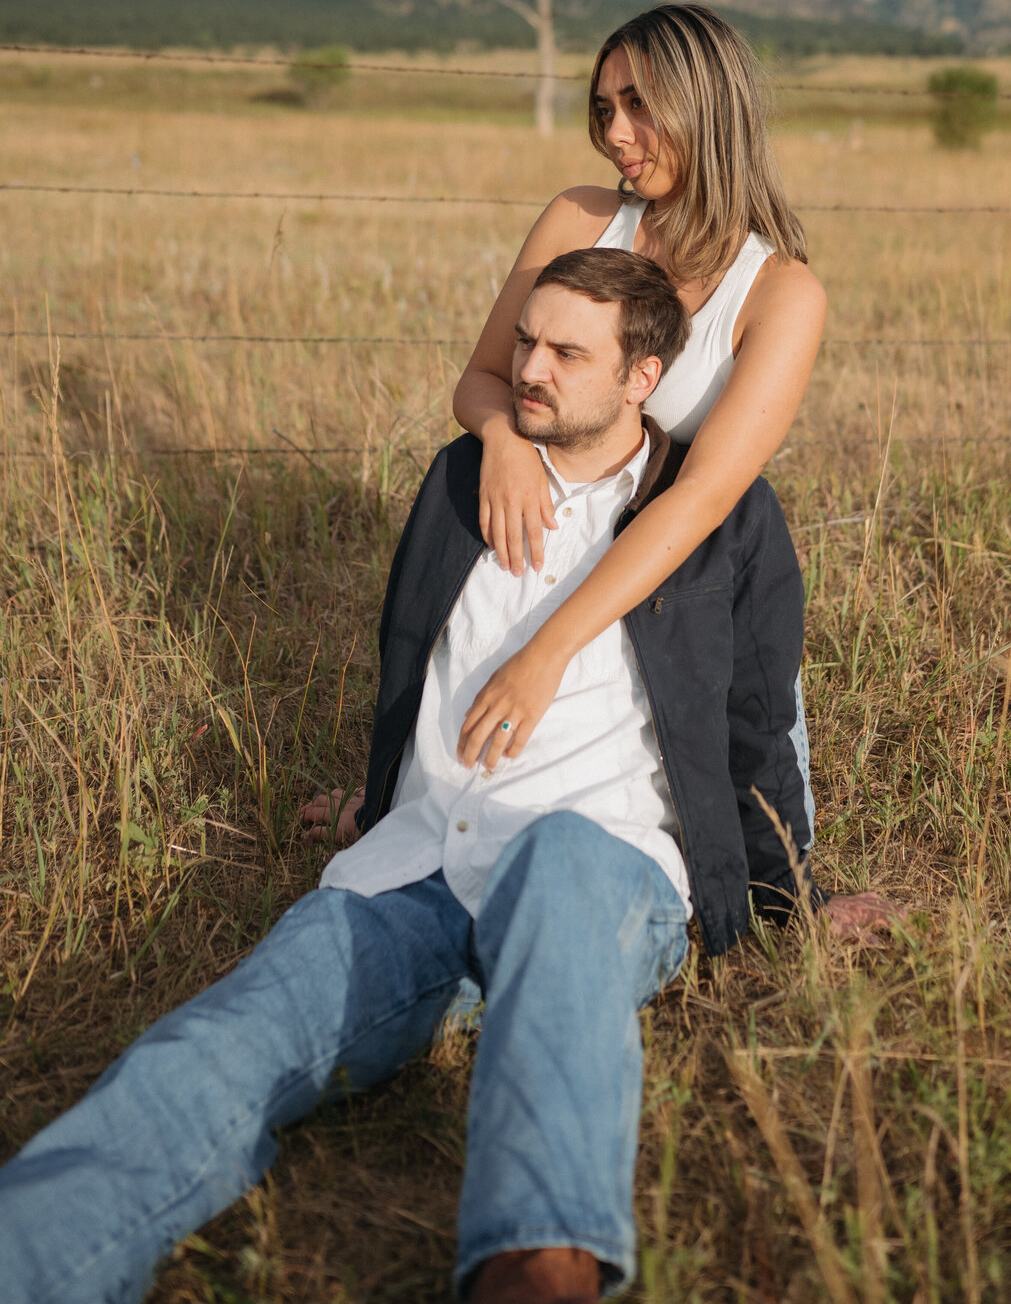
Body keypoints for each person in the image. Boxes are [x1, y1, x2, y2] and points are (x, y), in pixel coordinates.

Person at [0, 249, 830, 1304]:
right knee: (219, 1043)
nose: (528, 366)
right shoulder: (463, 478)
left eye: (565, 352)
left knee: (563, 866)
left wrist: (787, 892)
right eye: (525, 340)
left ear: (641, 378)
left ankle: (540, 1268)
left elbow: (760, 718)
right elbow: (415, 660)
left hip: (603, 868)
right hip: (422, 867)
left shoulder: (720, 518)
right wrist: (380, 793)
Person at [450, 4, 824, 824]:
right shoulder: (582, 219)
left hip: (683, 573)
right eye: (604, 108)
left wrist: (548, 651)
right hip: (544, 541)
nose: (617, 133)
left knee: (757, 846)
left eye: (640, 105)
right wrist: (503, 436)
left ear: (708, 106)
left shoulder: (780, 293)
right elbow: (479, 379)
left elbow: (706, 498)